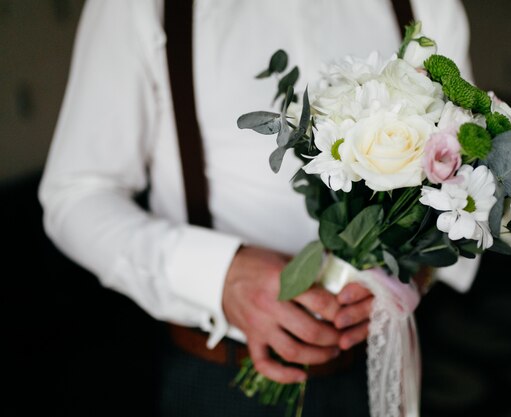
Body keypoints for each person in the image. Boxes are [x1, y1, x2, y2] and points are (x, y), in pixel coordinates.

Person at [39, 0, 479, 415]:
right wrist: (221, 275)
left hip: (384, 363)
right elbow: (76, 192)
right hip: (220, 379)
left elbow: (471, 169)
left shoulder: (426, 6)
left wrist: (414, 273)